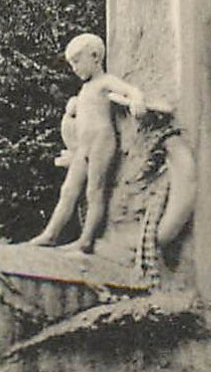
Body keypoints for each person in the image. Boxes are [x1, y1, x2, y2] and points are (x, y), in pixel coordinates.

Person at [30, 33, 146, 254]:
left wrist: (137, 100)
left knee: (95, 191)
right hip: (83, 146)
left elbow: (131, 91)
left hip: (102, 142)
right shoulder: (85, 89)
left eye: (77, 60)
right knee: (68, 190)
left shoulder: (105, 82)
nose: (74, 67)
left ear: (94, 56)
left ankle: (86, 240)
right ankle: (50, 234)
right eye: (72, 62)